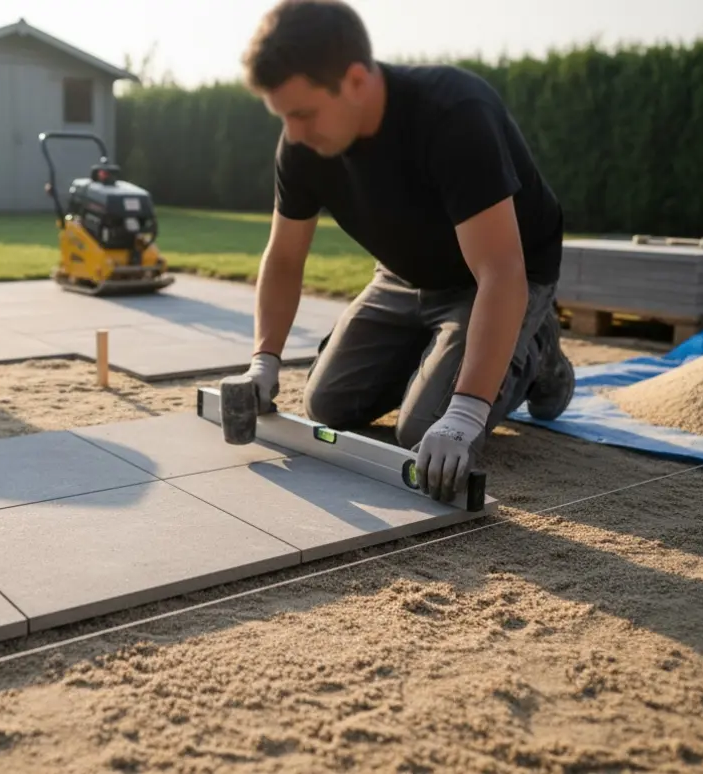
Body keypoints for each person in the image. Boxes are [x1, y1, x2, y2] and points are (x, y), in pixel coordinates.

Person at [236, 0, 575, 501]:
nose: (294, 133)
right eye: (284, 117)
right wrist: (264, 360)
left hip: (495, 277)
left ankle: (538, 348)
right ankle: (443, 354)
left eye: (303, 113)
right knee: (326, 404)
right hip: (401, 276)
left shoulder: (454, 114)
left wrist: (465, 413)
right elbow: (284, 258)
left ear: (355, 81)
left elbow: (501, 271)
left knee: (424, 432)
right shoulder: (301, 144)